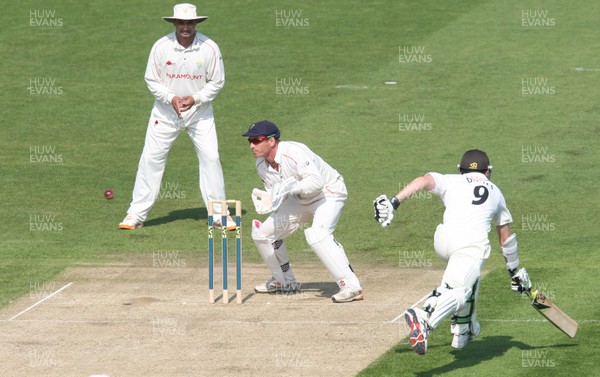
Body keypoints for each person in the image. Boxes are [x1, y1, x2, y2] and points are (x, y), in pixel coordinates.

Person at [373, 149, 530, 354]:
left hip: (443, 241)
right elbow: (506, 238)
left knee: (467, 279)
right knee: (460, 291)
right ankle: (424, 319)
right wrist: (515, 271)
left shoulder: (451, 180)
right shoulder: (496, 192)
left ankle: (463, 331)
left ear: (460, 170)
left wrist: (394, 202)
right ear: (488, 171)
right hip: (470, 245)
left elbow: (422, 181)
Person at [119, 3, 234, 230]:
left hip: (199, 114)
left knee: (211, 158)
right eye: (181, 23)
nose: (185, 27)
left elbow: (217, 81)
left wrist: (196, 98)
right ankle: (135, 215)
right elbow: (151, 79)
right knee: (150, 159)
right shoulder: (161, 47)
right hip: (165, 113)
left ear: (195, 23)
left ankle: (220, 215)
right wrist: (170, 97)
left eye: (189, 23)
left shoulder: (209, 47)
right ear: (174, 23)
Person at [243, 120, 363, 303]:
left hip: (328, 193)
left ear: (272, 141)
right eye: (250, 141)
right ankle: (284, 281)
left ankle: (351, 287)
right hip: (299, 199)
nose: (252, 145)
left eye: (257, 140)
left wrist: (291, 189)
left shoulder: (294, 152)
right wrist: (271, 200)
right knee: (262, 233)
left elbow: (316, 183)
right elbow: (278, 192)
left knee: (317, 235)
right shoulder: (261, 165)